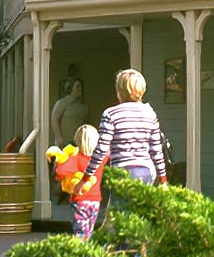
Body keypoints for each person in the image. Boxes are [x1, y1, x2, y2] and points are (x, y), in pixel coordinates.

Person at [77, 69, 167, 197]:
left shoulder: (111, 114)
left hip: (122, 172)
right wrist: (163, 180)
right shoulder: (150, 113)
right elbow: (156, 150)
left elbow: (101, 149)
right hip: (146, 171)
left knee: (119, 214)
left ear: (120, 91)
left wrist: (85, 178)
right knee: (138, 213)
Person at [55, 124, 107, 240]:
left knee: (80, 231)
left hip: (80, 200)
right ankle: (89, 254)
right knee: (89, 230)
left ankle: (82, 255)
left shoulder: (76, 157)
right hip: (95, 200)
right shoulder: (100, 158)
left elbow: (60, 172)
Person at [51, 77, 88, 147]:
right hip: (65, 143)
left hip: (79, 143)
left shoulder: (83, 105)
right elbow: (54, 119)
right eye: (77, 87)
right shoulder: (62, 103)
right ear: (71, 88)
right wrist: (59, 138)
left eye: (81, 87)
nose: (80, 89)